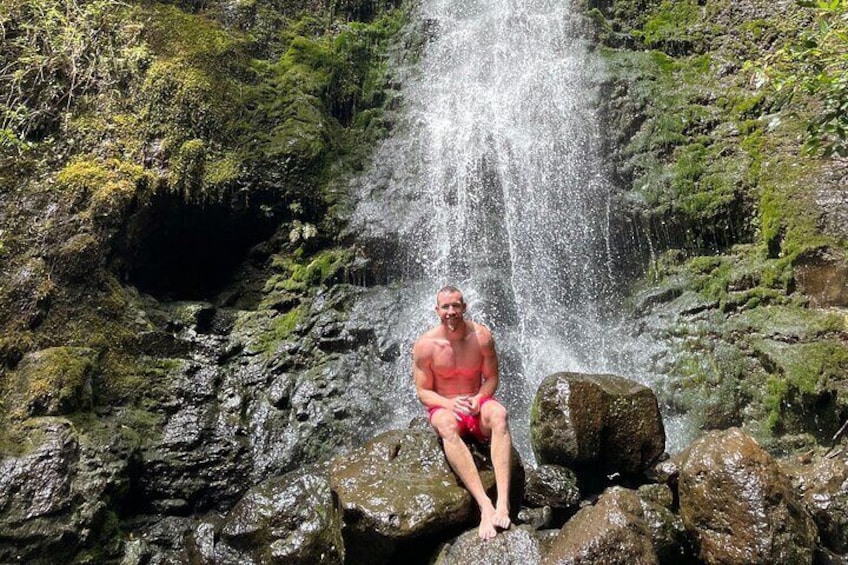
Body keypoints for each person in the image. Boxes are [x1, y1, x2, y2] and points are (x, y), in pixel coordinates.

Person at [412, 285, 512, 540]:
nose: (451, 311)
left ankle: (502, 502)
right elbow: (424, 392)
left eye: (456, 305)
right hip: (446, 408)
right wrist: (448, 404)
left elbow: (491, 378)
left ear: (464, 307)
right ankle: (484, 505)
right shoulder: (425, 345)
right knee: (445, 424)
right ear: (437, 310)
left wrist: (480, 398)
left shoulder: (482, 337)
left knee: (499, 415)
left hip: (475, 404)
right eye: (445, 307)